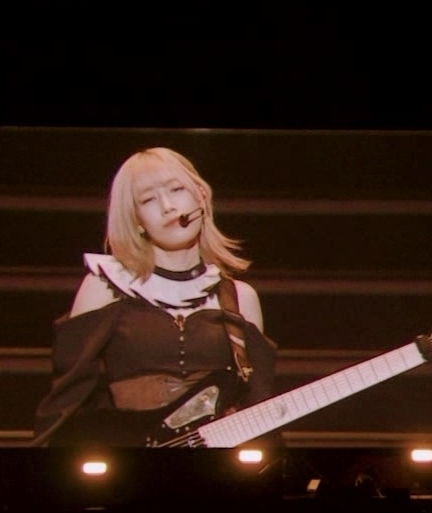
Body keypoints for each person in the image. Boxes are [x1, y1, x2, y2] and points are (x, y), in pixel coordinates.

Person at [32, 148, 278, 446]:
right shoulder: (104, 286)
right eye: (148, 200)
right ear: (136, 220)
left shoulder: (239, 297)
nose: (167, 206)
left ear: (201, 196)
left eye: (176, 190)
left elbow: (259, 406)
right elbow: (66, 404)